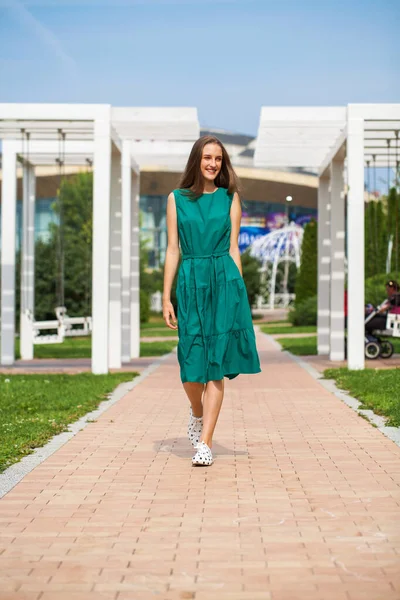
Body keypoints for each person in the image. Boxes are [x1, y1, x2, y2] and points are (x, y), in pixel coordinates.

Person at [162, 135, 261, 467]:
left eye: (218, 159)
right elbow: (173, 249)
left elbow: (234, 248)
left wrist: (239, 292)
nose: (213, 163)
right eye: (207, 157)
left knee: (215, 364)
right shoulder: (176, 199)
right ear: (196, 160)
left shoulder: (230, 198)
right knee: (191, 367)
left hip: (223, 281)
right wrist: (166, 296)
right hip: (190, 281)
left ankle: (205, 443)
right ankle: (196, 412)